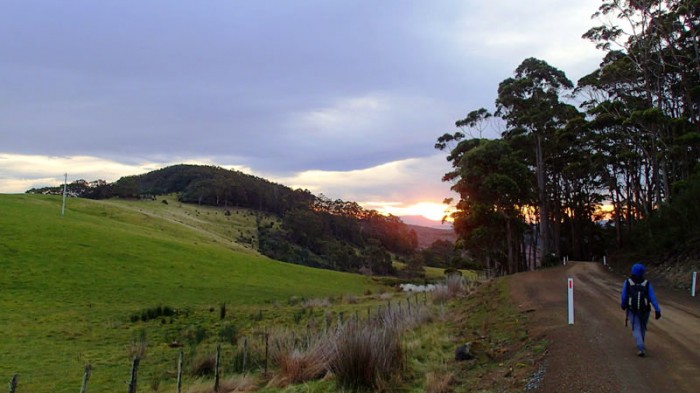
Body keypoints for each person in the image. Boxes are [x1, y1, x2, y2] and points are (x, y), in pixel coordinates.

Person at [620, 263, 661, 357]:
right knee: (642, 327)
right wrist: (657, 310)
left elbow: (624, 295)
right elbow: (652, 297)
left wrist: (623, 305)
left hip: (632, 309)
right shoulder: (646, 283)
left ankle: (640, 346)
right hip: (645, 309)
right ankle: (641, 344)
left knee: (636, 327)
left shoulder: (628, 282)